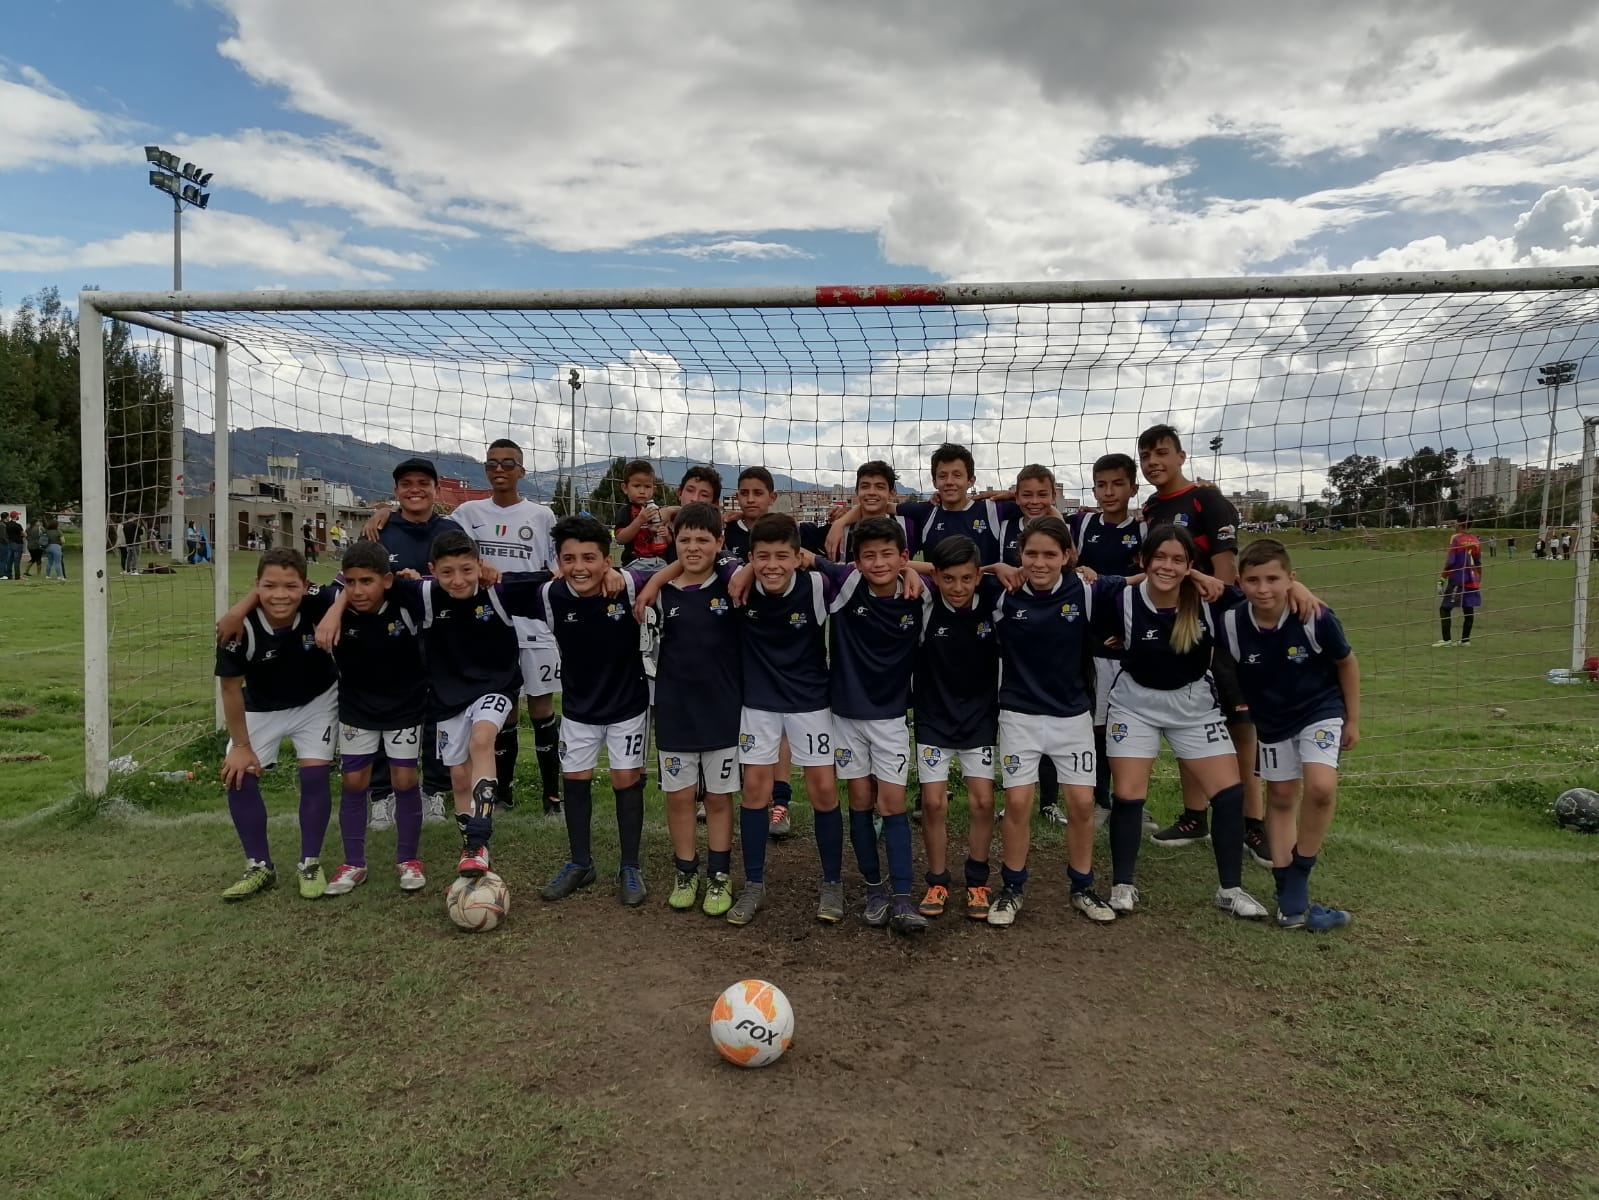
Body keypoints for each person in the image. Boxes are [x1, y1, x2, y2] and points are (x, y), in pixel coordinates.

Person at [1101, 525, 1319, 920]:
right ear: (1143, 560)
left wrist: (1297, 588)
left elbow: (1260, 594)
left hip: (1194, 705)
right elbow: (1088, 587)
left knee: (1230, 795)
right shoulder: (1122, 598)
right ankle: (1122, 885)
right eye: (1159, 557)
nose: (1167, 566)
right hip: (1135, 705)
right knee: (1129, 795)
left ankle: (1230, 890)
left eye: (1178, 560)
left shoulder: (1209, 599)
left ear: (1190, 566)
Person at [1136, 424, 1268, 869]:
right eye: (1146, 455)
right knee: (1188, 718)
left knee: (1240, 727)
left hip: (1220, 627)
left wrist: (1216, 613)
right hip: (1180, 630)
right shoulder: (1152, 507)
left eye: (1161, 453)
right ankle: (1195, 817)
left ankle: (1253, 823)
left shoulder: (1207, 500)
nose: (1153, 462)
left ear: (1181, 456)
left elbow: (1225, 574)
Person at [988, 516, 1126, 927]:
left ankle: (1082, 886)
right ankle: (1012, 888)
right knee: (1017, 802)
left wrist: (1194, 574)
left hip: (1071, 716)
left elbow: (1147, 579)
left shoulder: (1085, 589)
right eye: (1031, 553)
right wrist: (993, 566)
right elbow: (945, 570)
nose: (1040, 562)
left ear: (1067, 555)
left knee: (1082, 803)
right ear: (1020, 554)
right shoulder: (1004, 591)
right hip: (1019, 715)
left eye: (1050, 554)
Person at [1225, 539, 1359, 931]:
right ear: (1240, 583)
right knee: (1282, 797)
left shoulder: (1314, 616)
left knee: (1321, 787)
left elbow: (1346, 662)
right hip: (1271, 720)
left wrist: (1352, 720)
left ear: (1291, 579)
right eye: (1253, 580)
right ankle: (1289, 901)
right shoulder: (1231, 622)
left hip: (1320, 711)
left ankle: (1298, 876)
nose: (1263, 588)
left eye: (1273, 579)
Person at [725, 512, 849, 923]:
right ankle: (754, 885)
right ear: (750, 558)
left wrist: (913, 571)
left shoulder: (817, 585)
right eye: (762, 557)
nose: (772, 565)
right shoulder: (739, 585)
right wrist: (744, 570)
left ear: (798, 557)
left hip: (809, 702)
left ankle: (832, 883)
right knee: (754, 791)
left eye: (782, 556)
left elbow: (862, 572)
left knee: (824, 790)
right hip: (758, 704)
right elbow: (704, 559)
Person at [526, 517, 652, 906]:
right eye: (569, 559)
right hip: (579, 707)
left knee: (625, 778)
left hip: (627, 704)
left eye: (590, 558)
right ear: (558, 562)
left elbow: (677, 568)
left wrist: (620, 574)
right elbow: (497, 583)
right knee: (575, 778)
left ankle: (629, 866)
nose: (579, 567)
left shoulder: (629, 583)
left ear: (607, 559)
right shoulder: (549, 594)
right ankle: (581, 863)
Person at [816, 516, 929, 933]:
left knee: (893, 804)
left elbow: (962, 571)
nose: (878, 563)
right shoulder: (846, 584)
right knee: (861, 801)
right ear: (857, 562)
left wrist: (915, 572)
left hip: (891, 718)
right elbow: (802, 557)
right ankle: (874, 890)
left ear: (904, 557)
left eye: (887, 555)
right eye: (869, 556)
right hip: (846, 716)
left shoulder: (921, 594)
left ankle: (903, 897)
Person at [445, 439, 563, 816]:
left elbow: (556, 567)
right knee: (504, 710)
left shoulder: (542, 516)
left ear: (521, 471)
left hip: (535, 626)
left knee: (541, 708)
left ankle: (551, 796)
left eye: (507, 463)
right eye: (492, 464)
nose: (499, 469)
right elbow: (442, 545)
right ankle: (503, 794)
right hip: (489, 628)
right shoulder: (467, 513)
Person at [214, 548, 339, 900]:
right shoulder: (238, 628)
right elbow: (230, 688)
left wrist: (333, 615)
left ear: (305, 586)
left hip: (317, 701)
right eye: (269, 586)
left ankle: (309, 862)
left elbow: (348, 591)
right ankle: (259, 866)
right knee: (239, 774)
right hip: (261, 707)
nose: (280, 595)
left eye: (290, 586)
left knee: (315, 775)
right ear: (256, 585)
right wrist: (241, 746)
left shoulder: (316, 603)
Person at [313, 541, 430, 896]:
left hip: (405, 706)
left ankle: (408, 860)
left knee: (405, 781)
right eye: (351, 582)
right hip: (357, 706)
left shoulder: (406, 598)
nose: (358, 590)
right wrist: (336, 607)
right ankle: (354, 863)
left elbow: (442, 584)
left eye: (367, 581)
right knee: (353, 781)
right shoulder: (333, 600)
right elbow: (289, 591)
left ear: (387, 580)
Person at [644, 503, 742, 917]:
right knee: (681, 796)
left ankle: (719, 874)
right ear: (673, 541)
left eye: (703, 539)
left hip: (723, 710)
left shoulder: (733, 585)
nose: (693, 547)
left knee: (718, 798)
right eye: (685, 539)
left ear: (720, 542)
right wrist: (656, 579)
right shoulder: (659, 592)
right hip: (674, 711)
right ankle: (685, 871)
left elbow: (747, 565)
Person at [361, 456, 461, 828]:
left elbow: (462, 581)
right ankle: (381, 794)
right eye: (407, 484)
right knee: (386, 714)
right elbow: (359, 582)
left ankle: (434, 791)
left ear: (436, 489)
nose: (415, 490)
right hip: (387, 639)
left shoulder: (450, 530)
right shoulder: (379, 530)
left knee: (438, 714)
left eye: (423, 483)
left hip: (439, 638)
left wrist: (422, 583)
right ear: (396, 490)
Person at [914, 536, 1002, 920]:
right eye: (948, 579)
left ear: (978, 576)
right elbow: (894, 566)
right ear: (935, 577)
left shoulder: (993, 602)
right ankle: (937, 880)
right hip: (934, 718)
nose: (958, 587)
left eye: (967, 578)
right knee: (933, 803)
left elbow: (1018, 574)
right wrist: (913, 570)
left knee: (983, 801)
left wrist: (999, 569)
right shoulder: (925, 604)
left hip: (979, 719)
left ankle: (977, 881)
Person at [1069, 452, 1146, 825]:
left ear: (1133, 488)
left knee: (1134, 725)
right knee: (1098, 724)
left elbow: (1156, 572)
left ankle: (1131, 800)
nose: (1109, 492)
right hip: (1093, 642)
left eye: (1117, 484)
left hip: (1132, 641)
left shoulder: (1144, 529)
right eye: (1101, 485)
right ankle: (1101, 797)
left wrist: (1114, 584)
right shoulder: (1082, 524)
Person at [827, 442, 1007, 564]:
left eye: (957, 475)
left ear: (971, 480)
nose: (949, 482)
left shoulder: (993, 508)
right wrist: (840, 523)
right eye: (943, 476)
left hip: (986, 604)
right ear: (934, 482)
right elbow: (877, 504)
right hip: (936, 604)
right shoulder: (925, 512)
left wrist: (1011, 494)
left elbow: (1026, 501)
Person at [612, 459, 672, 572]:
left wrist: (666, 534)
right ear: (625, 488)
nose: (642, 491)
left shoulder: (657, 510)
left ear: (653, 489)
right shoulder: (626, 511)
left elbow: (669, 541)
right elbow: (620, 539)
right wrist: (639, 521)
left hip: (660, 562)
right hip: (635, 563)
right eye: (637, 486)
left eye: (647, 486)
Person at [1435, 517, 1482, 646]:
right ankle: (1465, 640)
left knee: (1445, 608)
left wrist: (1442, 579)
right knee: (1468, 608)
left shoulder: (1456, 538)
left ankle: (1446, 640)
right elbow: (1478, 562)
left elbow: (1451, 561)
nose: (1454, 525)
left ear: (1460, 524)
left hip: (1458, 578)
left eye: (1455, 523)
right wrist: (1478, 579)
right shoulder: (1475, 540)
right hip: (1472, 579)